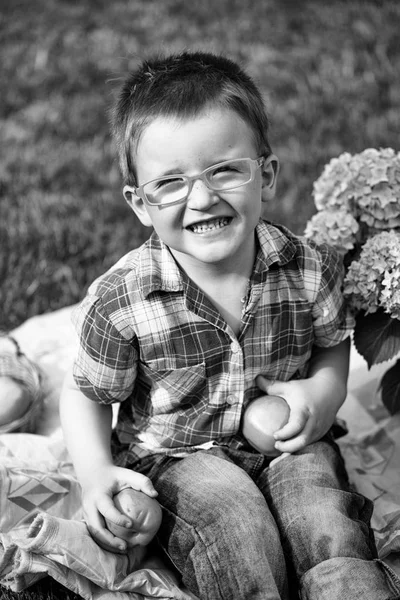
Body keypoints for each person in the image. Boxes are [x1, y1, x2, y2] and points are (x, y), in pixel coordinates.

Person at [59, 51, 400, 600]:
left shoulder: (309, 267)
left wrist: (324, 390)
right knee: (234, 524)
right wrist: (97, 472)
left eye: (224, 169)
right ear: (140, 204)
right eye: (169, 183)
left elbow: (332, 346)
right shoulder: (121, 301)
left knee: (325, 520)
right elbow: (85, 395)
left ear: (264, 175)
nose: (201, 197)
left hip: (287, 437)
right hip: (178, 456)